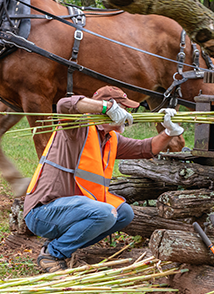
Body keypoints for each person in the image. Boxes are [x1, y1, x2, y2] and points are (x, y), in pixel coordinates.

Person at [23, 86, 184, 273]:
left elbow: (145, 148)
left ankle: (63, 243)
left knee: (124, 213)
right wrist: (106, 108)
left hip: (71, 211)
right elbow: (64, 104)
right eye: (124, 108)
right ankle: (53, 253)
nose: (128, 113)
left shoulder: (109, 137)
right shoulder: (76, 128)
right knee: (105, 213)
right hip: (42, 213)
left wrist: (168, 133)